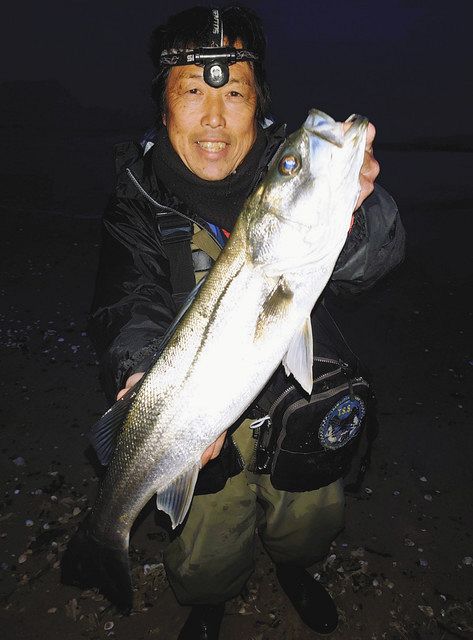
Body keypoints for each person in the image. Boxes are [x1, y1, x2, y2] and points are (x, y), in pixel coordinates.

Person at [88, 6, 405, 639]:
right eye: (193, 94)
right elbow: (127, 302)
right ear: (164, 108)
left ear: (258, 106)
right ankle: (197, 594)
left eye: (234, 94)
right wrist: (137, 381)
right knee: (204, 544)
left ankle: (296, 570)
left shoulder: (287, 180)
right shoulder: (137, 200)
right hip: (197, 414)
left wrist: (358, 212)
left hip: (297, 404)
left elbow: (373, 261)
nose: (213, 117)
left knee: (309, 513)